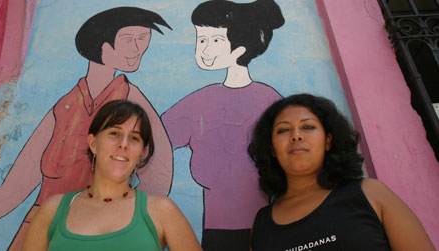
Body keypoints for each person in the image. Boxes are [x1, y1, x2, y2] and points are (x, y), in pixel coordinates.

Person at [0, 7, 173, 250]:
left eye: (143, 39)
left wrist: (126, 228)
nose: (139, 49)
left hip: (104, 227)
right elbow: (8, 194)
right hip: (43, 226)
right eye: (129, 40)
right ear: (102, 47)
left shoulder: (135, 104)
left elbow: (158, 184)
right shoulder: (64, 107)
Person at [161, 0, 284, 250]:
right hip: (217, 226)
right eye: (201, 40)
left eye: (215, 40)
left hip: (272, 222)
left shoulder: (270, 101)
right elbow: (157, 138)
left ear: (240, 47)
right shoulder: (199, 101)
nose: (204, 49)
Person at [248, 94, 435, 250]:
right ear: (272, 149)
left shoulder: (371, 193)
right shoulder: (262, 224)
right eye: (283, 130)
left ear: (328, 140)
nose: (296, 136)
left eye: (308, 127)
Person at [22, 100, 201, 251]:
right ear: (93, 143)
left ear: (141, 152)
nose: (123, 144)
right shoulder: (52, 211)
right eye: (114, 133)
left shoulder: (161, 211)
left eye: (134, 138)